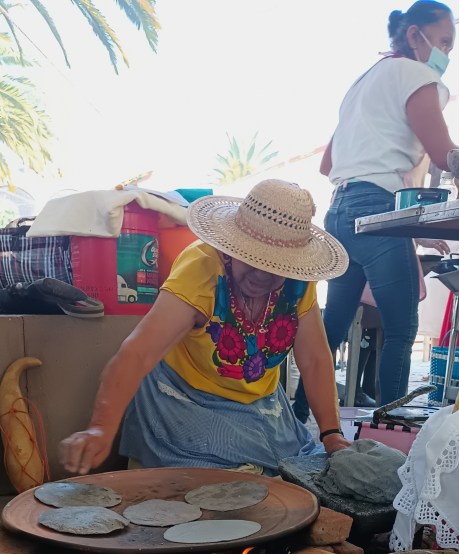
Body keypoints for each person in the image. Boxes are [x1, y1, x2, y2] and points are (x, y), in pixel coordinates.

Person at [60, 180, 350, 478]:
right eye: (252, 258)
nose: (261, 274)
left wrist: (331, 434)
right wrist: (101, 428)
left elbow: (314, 359)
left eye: (275, 267)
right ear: (233, 246)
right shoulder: (200, 269)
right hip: (187, 397)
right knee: (218, 482)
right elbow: (138, 353)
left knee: (294, 475)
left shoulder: (298, 282)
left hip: (260, 406)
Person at [294, 0, 458, 423]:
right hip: (378, 211)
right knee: (401, 330)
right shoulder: (416, 75)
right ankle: (392, 431)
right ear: (414, 35)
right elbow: (444, 152)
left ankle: (295, 419)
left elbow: (328, 164)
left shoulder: (363, 83)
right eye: (443, 42)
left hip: (339, 211)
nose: (445, 53)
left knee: (333, 326)